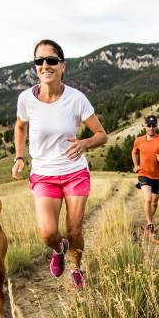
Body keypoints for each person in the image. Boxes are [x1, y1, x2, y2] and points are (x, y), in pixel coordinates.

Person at [11, 39, 107, 289]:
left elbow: (101, 134)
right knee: (47, 233)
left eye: (51, 60)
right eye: (39, 61)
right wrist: (19, 156)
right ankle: (59, 248)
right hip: (43, 175)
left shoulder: (76, 99)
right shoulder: (26, 99)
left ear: (62, 66)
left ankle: (76, 268)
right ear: (35, 67)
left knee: (74, 230)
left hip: (75, 172)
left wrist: (85, 143)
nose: (45, 65)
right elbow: (20, 126)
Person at [131, 115, 159, 235]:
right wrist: (136, 165)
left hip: (158, 177)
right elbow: (133, 152)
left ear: (156, 126)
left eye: (153, 125)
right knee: (148, 199)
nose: (151, 128)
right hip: (144, 174)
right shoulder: (138, 140)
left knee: (154, 202)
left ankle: (148, 220)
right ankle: (150, 224)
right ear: (145, 126)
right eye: (148, 125)